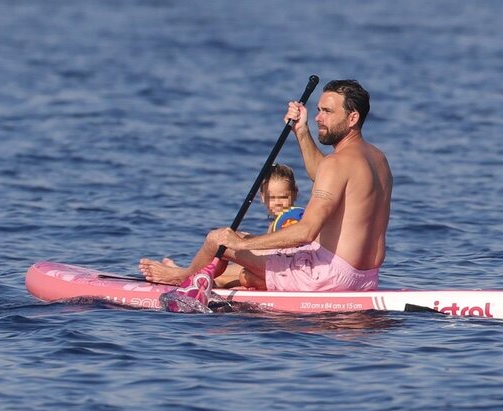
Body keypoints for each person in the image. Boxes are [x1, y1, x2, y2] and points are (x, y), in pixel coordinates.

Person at [140, 79, 392, 292]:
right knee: (248, 262)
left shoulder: (336, 163)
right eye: (317, 110)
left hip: (327, 278)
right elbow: (324, 176)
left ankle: (180, 279)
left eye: (327, 111)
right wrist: (301, 131)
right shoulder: (377, 159)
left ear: (352, 118)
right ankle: (225, 278)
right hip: (366, 279)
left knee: (218, 241)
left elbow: (304, 232)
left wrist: (239, 244)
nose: (318, 118)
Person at [151, 163, 304, 288]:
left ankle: (184, 277)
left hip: (287, 271)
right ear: (262, 197)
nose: (277, 202)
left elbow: (287, 247)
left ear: (295, 194)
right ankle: (193, 275)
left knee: (242, 271)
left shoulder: (290, 218)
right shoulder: (279, 219)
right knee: (228, 273)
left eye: (283, 197)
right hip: (278, 267)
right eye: (272, 197)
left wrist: (245, 242)